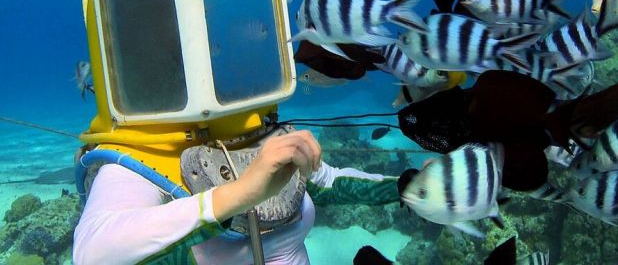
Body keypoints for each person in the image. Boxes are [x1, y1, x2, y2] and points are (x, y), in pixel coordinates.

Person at [73, 130, 399, 264]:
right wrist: (240, 194)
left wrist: (412, 186)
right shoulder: (138, 160)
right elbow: (93, 252)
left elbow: (333, 182)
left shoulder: (262, 133)